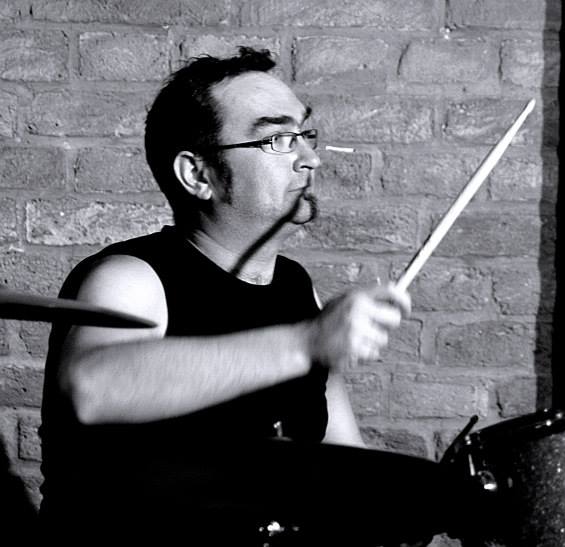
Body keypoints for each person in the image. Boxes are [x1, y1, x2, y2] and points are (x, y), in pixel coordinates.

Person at [39, 47, 457, 546]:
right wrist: (306, 342)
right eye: (277, 139)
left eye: (304, 134)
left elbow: (346, 462)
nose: (310, 158)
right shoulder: (132, 277)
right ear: (199, 175)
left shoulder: (296, 288)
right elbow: (93, 389)